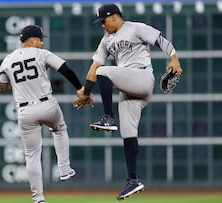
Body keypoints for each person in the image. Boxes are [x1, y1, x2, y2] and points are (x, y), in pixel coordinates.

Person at [74, 4, 183, 200]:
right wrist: (86, 92)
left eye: (103, 21)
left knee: (104, 72)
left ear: (114, 17)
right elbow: (94, 67)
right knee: (128, 132)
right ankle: (133, 180)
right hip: (128, 88)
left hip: (141, 78)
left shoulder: (135, 28)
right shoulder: (106, 40)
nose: (102, 25)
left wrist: (174, 58)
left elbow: (161, 40)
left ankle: (108, 117)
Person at [0, 25, 80, 203]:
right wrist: (80, 88)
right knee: (59, 129)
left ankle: (38, 197)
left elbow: (2, 88)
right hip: (46, 104)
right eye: (40, 39)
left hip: (25, 111)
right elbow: (66, 69)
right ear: (32, 40)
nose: (42, 43)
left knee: (32, 154)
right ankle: (64, 170)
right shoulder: (41, 53)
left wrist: (17, 81)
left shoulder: (7, 60)